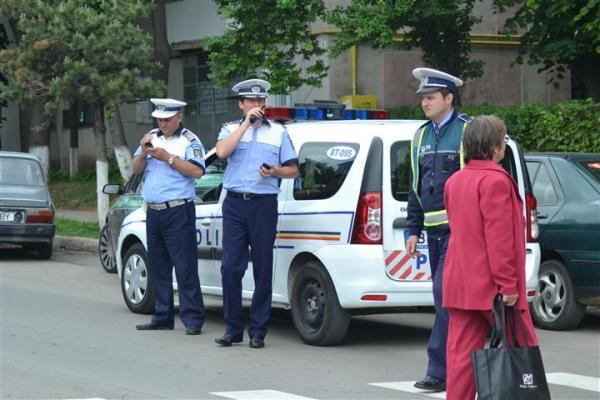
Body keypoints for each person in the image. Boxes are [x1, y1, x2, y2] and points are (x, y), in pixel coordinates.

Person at [443, 115, 539, 399]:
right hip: (492, 286)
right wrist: (507, 285)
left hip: (460, 281)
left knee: (461, 358)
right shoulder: (496, 181)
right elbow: (499, 240)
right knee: (522, 350)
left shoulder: (455, 181)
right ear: (496, 147)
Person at [214, 78, 298, 349]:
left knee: (263, 266)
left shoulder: (279, 132)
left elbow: (293, 169)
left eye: (261, 101)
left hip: (263, 204)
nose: (257, 105)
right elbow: (221, 151)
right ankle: (233, 328)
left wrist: (274, 171)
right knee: (230, 267)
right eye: (251, 101)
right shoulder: (230, 129)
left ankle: (259, 330)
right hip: (235, 203)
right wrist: (244, 126)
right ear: (241, 104)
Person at [406, 67, 471, 392]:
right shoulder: (420, 135)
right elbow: (415, 186)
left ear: (449, 98)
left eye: (430, 97)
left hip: (458, 233)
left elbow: (475, 185)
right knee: (447, 301)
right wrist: (412, 229)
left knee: (445, 298)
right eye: (423, 98)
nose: (424, 103)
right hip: (433, 234)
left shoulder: (467, 131)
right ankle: (459, 365)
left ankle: (439, 370)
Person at [132, 98, 206, 335]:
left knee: (185, 267)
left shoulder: (190, 141)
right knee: (159, 267)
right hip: (154, 212)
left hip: (178, 211)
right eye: (159, 119)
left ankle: (193, 319)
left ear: (179, 117)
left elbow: (197, 171)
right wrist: (144, 152)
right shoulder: (151, 136)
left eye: (166, 120)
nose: (162, 124)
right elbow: (135, 169)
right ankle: (162, 316)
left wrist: (169, 158)